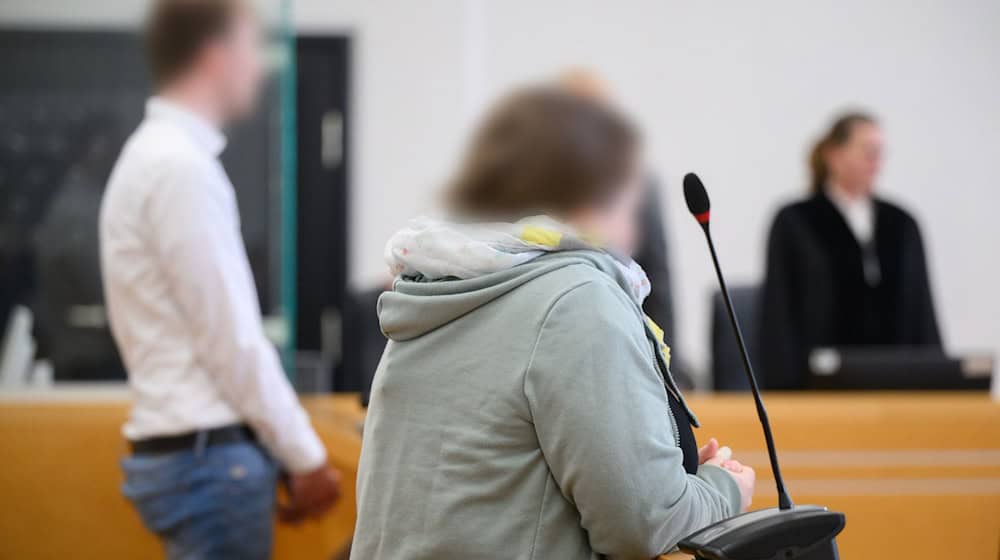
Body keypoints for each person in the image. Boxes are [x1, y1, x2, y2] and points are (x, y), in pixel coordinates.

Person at [352, 87, 754, 559]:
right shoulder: (577, 300)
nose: (636, 226)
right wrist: (723, 490)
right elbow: (644, 526)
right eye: (630, 197)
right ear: (590, 197)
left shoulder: (444, 282)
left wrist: (667, 477)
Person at [100, 1, 339, 558]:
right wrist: (306, 457)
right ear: (216, 54)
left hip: (193, 456)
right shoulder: (179, 168)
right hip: (207, 462)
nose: (260, 67)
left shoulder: (155, 158)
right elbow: (231, 340)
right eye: (252, 48)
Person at [760, 112, 941, 389]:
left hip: (898, 383)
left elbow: (922, 309)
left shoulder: (902, 223)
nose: (875, 161)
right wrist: (783, 388)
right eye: (867, 151)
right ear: (833, 155)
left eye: (879, 153)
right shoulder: (796, 221)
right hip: (820, 384)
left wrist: (936, 377)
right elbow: (779, 313)